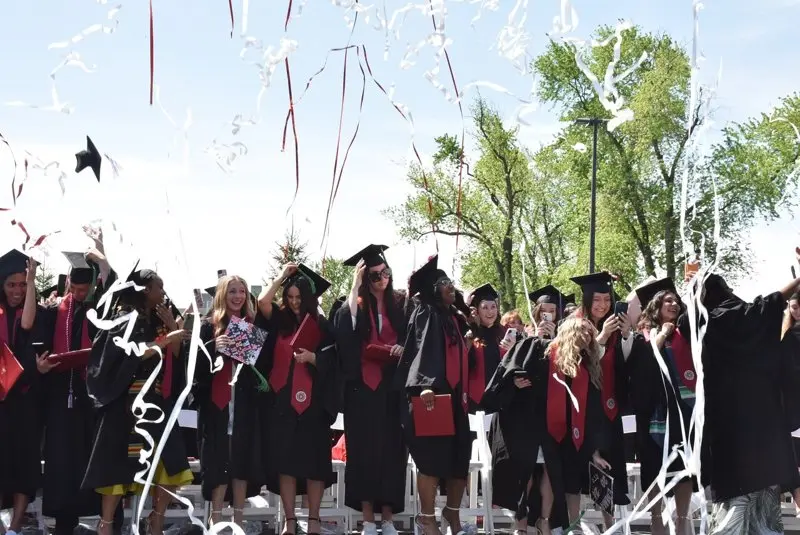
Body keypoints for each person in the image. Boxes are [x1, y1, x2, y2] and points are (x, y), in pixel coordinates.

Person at [82, 267, 191, 535]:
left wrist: (172, 328)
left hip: (156, 403)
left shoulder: (159, 318)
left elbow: (176, 359)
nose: (163, 292)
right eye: (159, 287)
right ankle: (106, 525)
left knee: (170, 464)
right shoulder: (123, 318)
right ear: (145, 290)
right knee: (116, 470)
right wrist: (164, 341)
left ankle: (157, 519)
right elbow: (128, 356)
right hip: (125, 406)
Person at [484, 316, 612, 533]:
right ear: (568, 332)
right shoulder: (535, 346)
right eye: (581, 331)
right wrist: (513, 383)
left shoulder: (582, 365)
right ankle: (521, 523)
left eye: (590, 333)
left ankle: (544, 520)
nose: (586, 337)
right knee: (524, 473)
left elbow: (589, 410)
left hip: (553, 427)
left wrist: (595, 451)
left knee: (550, 471)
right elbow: (504, 375)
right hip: (522, 422)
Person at [701, 258, 800, 534]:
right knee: (764, 518)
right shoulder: (751, 317)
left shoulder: (709, 323)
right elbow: (771, 304)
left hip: (728, 434)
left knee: (731, 517)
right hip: (763, 432)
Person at [36, 249, 116, 535]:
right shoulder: (54, 312)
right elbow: (41, 345)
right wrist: (41, 366)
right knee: (61, 459)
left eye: (85, 289)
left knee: (88, 456)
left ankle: (97, 516)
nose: (80, 294)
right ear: (68, 283)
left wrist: (103, 257)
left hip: (91, 394)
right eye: (76, 288)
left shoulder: (99, 312)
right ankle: (63, 521)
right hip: (60, 393)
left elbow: (114, 291)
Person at [256, 263, 338, 535]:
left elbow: (335, 361)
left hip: (314, 403)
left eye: (299, 298)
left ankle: (313, 520)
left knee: (315, 463)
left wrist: (313, 358)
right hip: (282, 402)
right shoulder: (279, 321)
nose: (293, 302)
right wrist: (282, 275)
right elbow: (262, 301)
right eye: (290, 297)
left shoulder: (322, 326)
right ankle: (289, 521)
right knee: (285, 462)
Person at [394, 255, 472, 535]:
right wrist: (426, 383)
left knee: (459, 459)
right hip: (431, 395)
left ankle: (451, 513)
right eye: (444, 282)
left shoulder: (453, 317)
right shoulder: (426, 312)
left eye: (450, 281)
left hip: (454, 397)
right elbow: (422, 348)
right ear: (432, 289)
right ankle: (427, 519)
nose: (451, 286)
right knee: (431, 459)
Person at [335, 244, 408, 535]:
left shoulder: (400, 304)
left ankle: (387, 519)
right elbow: (346, 327)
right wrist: (355, 285)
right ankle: (367, 519)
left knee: (391, 452)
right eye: (375, 275)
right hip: (362, 390)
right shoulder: (356, 303)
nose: (382, 279)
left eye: (385, 272)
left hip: (392, 388)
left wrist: (401, 348)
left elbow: (411, 336)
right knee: (363, 452)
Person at [193, 275, 268, 528]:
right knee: (218, 462)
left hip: (243, 402)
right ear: (222, 295)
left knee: (241, 461)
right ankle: (215, 520)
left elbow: (259, 368)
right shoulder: (208, 326)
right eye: (232, 291)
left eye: (242, 292)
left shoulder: (251, 325)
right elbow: (195, 370)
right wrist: (214, 346)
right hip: (217, 405)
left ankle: (238, 521)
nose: (238, 296)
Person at [626, 278, 695, 535]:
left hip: (684, 409)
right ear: (656, 306)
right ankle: (657, 519)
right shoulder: (642, 336)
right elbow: (646, 362)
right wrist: (663, 333)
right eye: (668, 301)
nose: (674, 304)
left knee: (684, 467)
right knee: (655, 466)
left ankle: (682, 520)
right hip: (653, 411)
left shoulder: (685, 334)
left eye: (676, 301)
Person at [570, 272, 633, 529]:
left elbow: (625, 363)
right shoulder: (575, 324)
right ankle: (573, 525)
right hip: (583, 406)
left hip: (608, 403)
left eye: (607, 299)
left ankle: (610, 526)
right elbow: (579, 361)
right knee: (579, 470)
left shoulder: (613, 326)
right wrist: (603, 335)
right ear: (587, 299)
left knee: (609, 465)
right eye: (597, 299)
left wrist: (626, 336)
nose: (603, 305)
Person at [0, 250, 40, 535]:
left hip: (25, 399)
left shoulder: (36, 313)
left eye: (21, 285)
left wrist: (32, 280)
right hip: (1, 400)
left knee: (24, 463)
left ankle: (14, 527)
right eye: (11, 284)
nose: (17, 290)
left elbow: (26, 324)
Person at [465, 283, 509, 411]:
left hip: (502, 397)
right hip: (477, 399)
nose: (490, 311)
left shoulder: (504, 333)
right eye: (484, 307)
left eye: (493, 307)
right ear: (477, 310)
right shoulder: (470, 334)